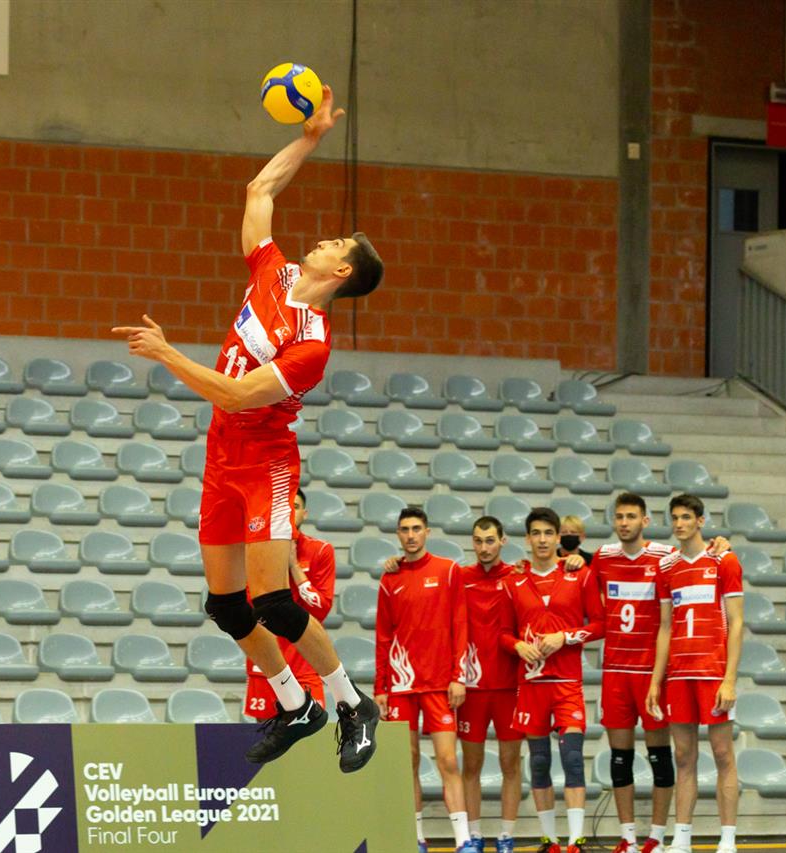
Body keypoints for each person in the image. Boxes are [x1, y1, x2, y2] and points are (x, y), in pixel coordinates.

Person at [113, 82, 384, 772]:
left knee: (276, 602)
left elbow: (236, 396)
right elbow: (259, 189)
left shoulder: (313, 344)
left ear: (341, 269)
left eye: (335, 241)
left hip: (266, 462)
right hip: (221, 458)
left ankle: (351, 702)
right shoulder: (272, 269)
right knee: (227, 605)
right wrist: (309, 139)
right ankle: (296, 705)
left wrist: (167, 353)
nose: (320, 238)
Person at [502, 508, 603, 853]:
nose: (542, 540)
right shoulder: (514, 581)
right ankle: (550, 840)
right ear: (527, 538)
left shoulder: (580, 575)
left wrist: (566, 637)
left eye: (548, 533)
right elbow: (503, 633)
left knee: (573, 758)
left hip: (566, 682)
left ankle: (575, 841)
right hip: (531, 685)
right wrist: (517, 645)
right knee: (539, 761)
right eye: (536, 533)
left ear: (559, 538)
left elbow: (601, 624)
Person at [647, 495, 743, 853]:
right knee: (683, 757)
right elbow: (665, 627)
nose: (679, 524)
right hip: (679, 675)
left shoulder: (724, 560)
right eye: (675, 517)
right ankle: (682, 838)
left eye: (686, 517)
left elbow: (737, 622)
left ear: (700, 521)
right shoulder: (667, 567)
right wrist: (656, 680)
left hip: (713, 672)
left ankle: (728, 839)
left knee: (722, 754)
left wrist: (729, 679)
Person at [586, 494, 679, 853]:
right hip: (615, 673)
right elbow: (578, 583)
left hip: (651, 673)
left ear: (645, 520)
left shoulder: (664, 557)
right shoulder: (603, 558)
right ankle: (627, 838)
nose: (624, 523)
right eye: (619, 517)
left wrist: (720, 545)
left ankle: (656, 838)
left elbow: (698, 557)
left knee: (660, 758)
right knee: (619, 759)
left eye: (631, 516)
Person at [375, 507, 471, 853]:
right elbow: (383, 636)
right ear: (398, 534)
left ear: (427, 532)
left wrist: (459, 676)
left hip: (440, 684)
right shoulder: (389, 578)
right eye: (404, 529)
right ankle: (415, 839)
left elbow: (460, 623)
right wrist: (381, 688)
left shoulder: (448, 570)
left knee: (448, 761)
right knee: (408, 762)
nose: (411, 535)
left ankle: (463, 840)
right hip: (401, 687)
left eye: (416, 528)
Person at [459, 517, 525, 853]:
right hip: (471, 688)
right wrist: (395, 562)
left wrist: (574, 558)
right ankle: (473, 835)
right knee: (471, 765)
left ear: (502, 541)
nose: (483, 547)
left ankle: (506, 837)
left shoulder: (518, 576)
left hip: (509, 687)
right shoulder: (460, 577)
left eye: (489, 540)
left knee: (510, 764)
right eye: (478, 541)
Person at [243, 489, 336, 719]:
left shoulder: (320, 551)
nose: (289, 512)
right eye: (284, 507)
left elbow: (321, 609)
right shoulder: (254, 551)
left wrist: (293, 566)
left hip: (305, 663)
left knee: (311, 735)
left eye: (295, 507)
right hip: (267, 663)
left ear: (305, 513)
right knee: (265, 736)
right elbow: (249, 606)